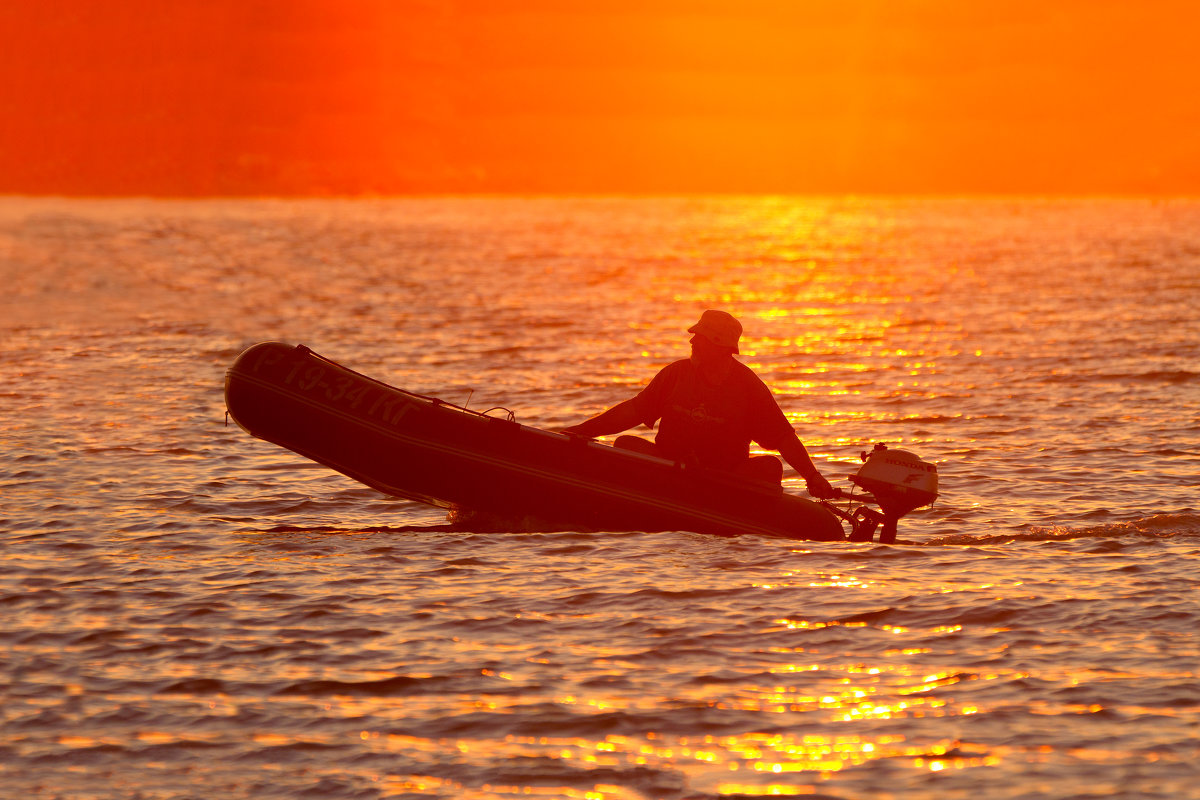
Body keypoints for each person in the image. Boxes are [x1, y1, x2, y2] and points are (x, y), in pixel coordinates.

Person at [563, 310, 837, 499]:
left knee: (770, 467)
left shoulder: (748, 386)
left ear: (720, 346)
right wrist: (582, 431)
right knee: (625, 445)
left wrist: (812, 477)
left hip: (723, 478)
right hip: (672, 469)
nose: (692, 341)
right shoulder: (676, 374)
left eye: (700, 337)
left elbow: (783, 437)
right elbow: (634, 411)